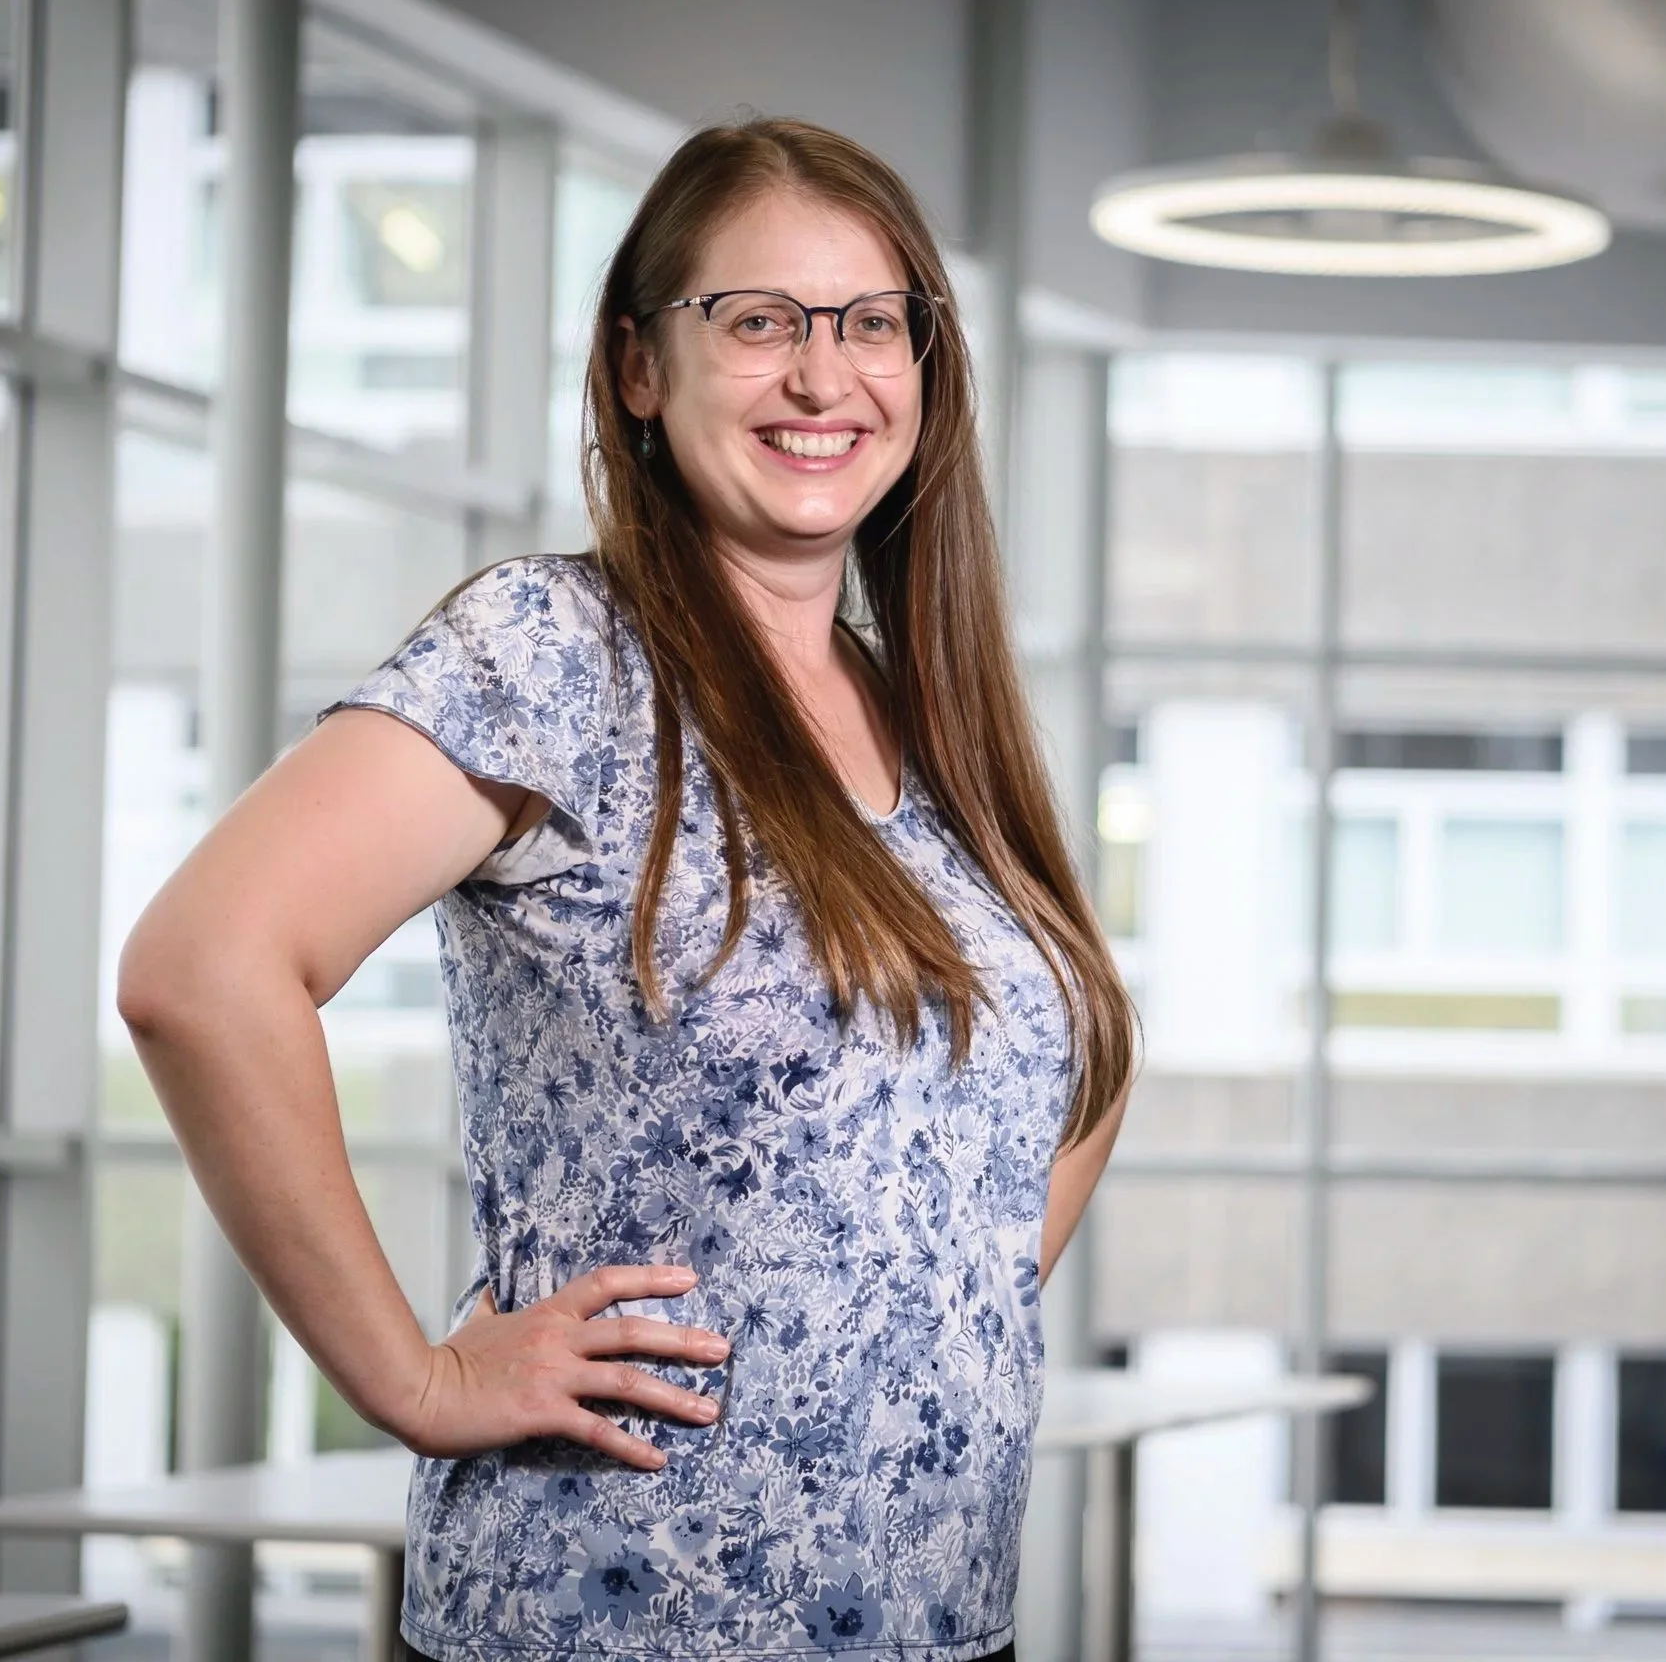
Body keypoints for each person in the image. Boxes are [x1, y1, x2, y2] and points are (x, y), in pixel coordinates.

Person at [117, 115, 1136, 1661]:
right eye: (757, 322)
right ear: (640, 366)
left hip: (943, 1624)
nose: (822, 375)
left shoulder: (928, 707)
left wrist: (920, 1314)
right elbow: (201, 969)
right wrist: (418, 1378)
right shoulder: (553, 656)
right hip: (622, 1619)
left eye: (873, 325)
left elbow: (1070, 1060)